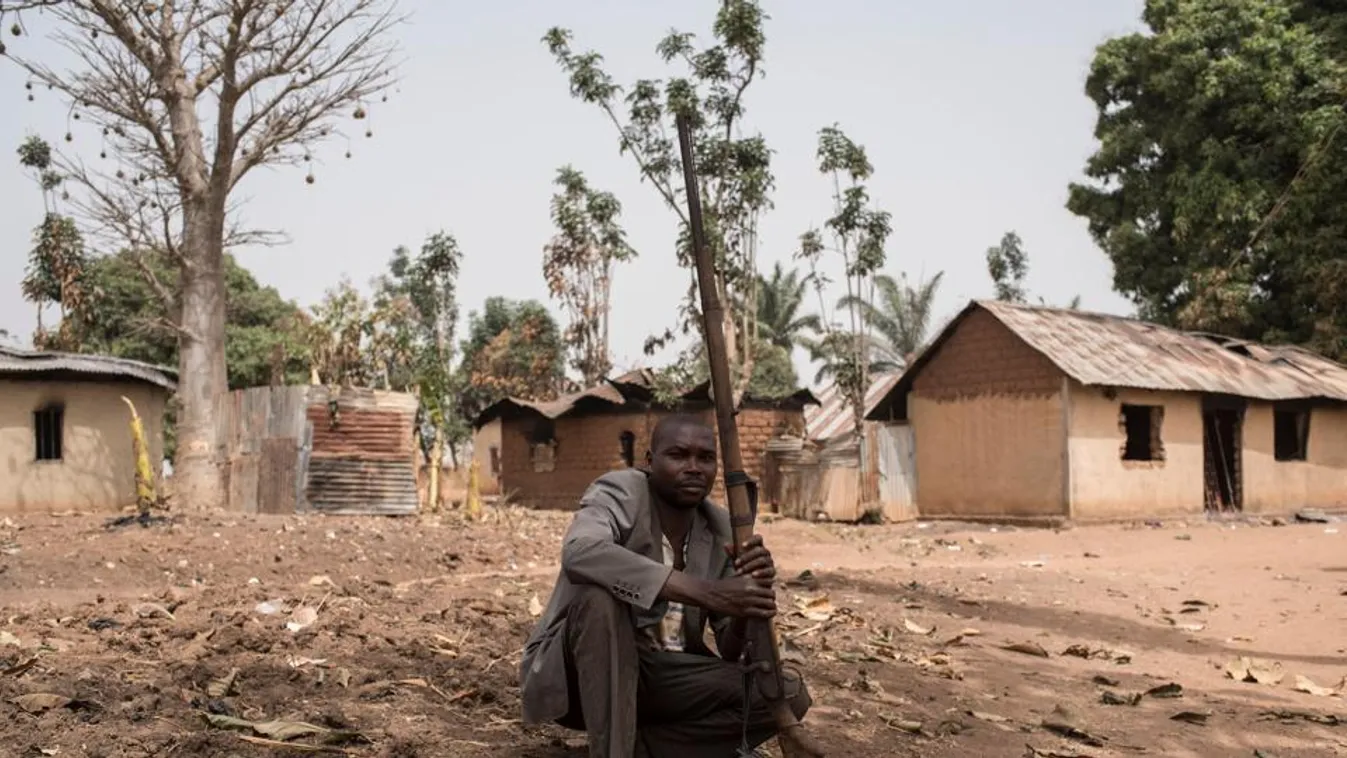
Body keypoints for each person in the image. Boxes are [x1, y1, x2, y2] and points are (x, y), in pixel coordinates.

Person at [519, 414, 812, 757]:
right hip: (586, 675)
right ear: (649, 461)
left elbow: (730, 649)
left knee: (786, 692)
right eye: (678, 455)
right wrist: (708, 592)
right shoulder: (621, 492)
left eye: (706, 458)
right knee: (600, 599)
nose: (694, 468)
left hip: (666, 676)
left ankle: (636, 749)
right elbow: (579, 552)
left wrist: (746, 600)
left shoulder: (721, 528)